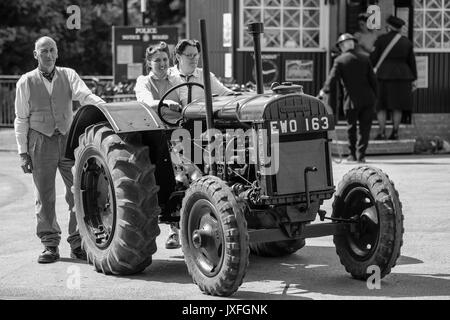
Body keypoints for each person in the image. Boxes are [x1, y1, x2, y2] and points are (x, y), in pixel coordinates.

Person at [14, 36, 105, 263]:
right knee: (44, 196)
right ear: (36, 54)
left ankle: (78, 242)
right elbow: (20, 118)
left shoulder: (69, 74)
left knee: (77, 192)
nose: (48, 54)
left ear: (57, 53)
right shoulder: (25, 81)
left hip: (68, 139)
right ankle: (49, 244)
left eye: (52, 50)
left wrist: (103, 107)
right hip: (39, 141)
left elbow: (83, 95)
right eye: (43, 50)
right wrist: (23, 152)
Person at [134, 41, 183, 249]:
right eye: (157, 60)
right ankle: (173, 229)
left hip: (179, 130)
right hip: (155, 132)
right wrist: (165, 103)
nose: (162, 63)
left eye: (165, 59)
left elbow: (188, 97)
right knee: (166, 171)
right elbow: (145, 101)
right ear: (149, 63)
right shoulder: (143, 81)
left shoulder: (176, 79)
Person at [319, 33, 377, 163]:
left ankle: (352, 155)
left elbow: (331, 79)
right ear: (353, 44)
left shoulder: (340, 60)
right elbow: (373, 81)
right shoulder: (365, 58)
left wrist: (323, 91)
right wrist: (375, 97)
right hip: (368, 98)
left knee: (351, 128)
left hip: (351, 100)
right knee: (365, 128)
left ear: (342, 46)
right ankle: (361, 156)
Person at [370, 15, 417, 140]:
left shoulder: (381, 40)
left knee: (381, 105)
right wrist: (414, 79)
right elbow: (412, 62)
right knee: (397, 106)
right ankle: (395, 132)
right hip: (403, 77)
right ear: (400, 28)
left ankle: (381, 132)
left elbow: (373, 59)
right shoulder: (406, 42)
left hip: (383, 76)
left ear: (389, 27)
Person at [169, 39, 233, 105]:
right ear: (178, 57)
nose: (194, 58)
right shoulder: (168, 75)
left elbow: (226, 94)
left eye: (196, 55)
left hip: (198, 114)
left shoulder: (205, 76)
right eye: (189, 55)